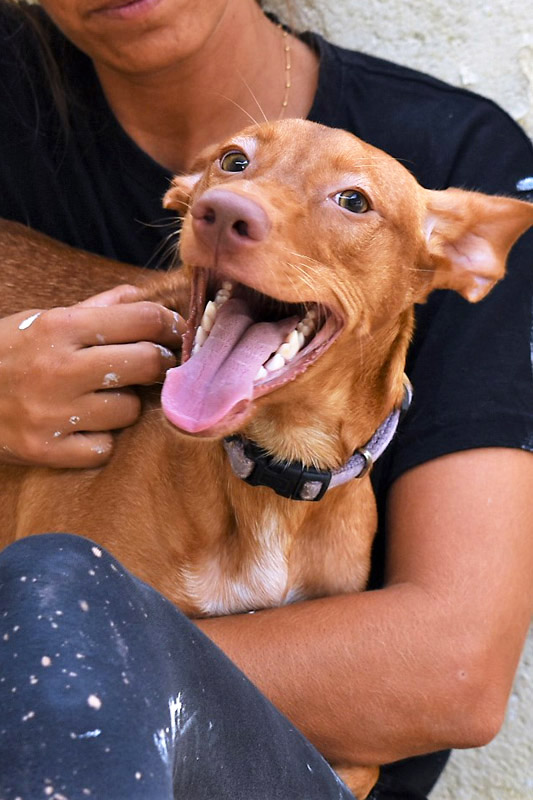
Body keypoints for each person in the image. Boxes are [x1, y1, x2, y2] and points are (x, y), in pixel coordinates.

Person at [1, 0, 533, 798]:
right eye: (233, 172)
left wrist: (82, 660)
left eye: (350, 201)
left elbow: (452, 674)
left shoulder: (457, 150)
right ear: (187, 200)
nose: (236, 208)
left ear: (451, 261)